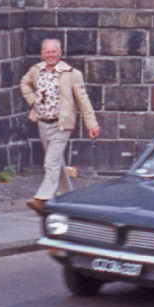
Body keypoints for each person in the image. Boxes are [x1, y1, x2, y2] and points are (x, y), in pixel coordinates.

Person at [21, 38, 100, 213]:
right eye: (47, 52)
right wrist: (33, 101)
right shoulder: (36, 71)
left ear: (60, 52)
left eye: (54, 51)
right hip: (43, 122)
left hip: (62, 125)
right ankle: (67, 196)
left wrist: (91, 124)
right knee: (56, 162)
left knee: (50, 162)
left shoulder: (71, 74)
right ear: (42, 54)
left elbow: (83, 101)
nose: (51, 55)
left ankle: (42, 199)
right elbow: (24, 84)